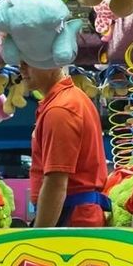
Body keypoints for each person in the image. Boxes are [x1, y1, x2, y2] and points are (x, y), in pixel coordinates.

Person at [21, 61, 110, 228]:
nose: (21, 69)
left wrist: (37, 237)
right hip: (75, 214)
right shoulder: (71, 99)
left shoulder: (60, 110)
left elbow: (56, 183)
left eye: (28, 62)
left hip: (71, 220)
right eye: (20, 63)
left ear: (53, 62)